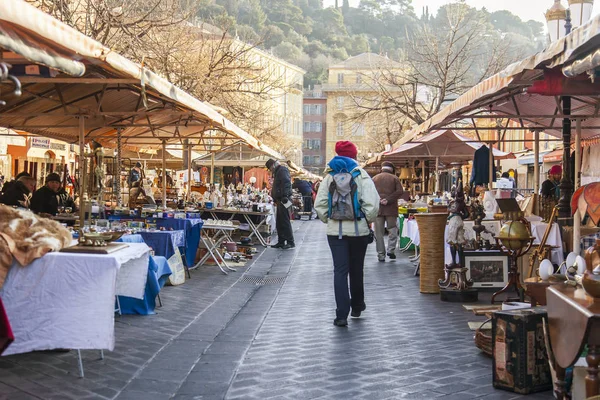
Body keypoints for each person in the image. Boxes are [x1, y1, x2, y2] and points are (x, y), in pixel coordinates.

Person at [315, 141, 379, 327]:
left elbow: (319, 205)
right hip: (359, 231)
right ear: (354, 155)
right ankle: (357, 305)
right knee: (356, 269)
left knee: (340, 271)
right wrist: (366, 219)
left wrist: (330, 220)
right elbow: (372, 204)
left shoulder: (329, 176)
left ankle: (341, 314)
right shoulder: (361, 175)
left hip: (335, 233)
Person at [372, 161, 404, 262]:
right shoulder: (395, 178)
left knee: (379, 233)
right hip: (391, 209)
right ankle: (391, 249)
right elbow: (400, 191)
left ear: (382, 168)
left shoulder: (374, 178)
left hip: (378, 209)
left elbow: (370, 192)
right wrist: (388, 199)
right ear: (392, 169)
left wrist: (379, 199)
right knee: (392, 229)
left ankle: (381, 254)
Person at [266, 158, 294, 249]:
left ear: (273, 165)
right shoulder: (279, 171)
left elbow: (286, 183)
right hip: (281, 199)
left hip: (284, 199)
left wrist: (284, 195)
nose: (270, 170)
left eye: (270, 168)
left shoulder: (282, 170)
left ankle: (290, 241)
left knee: (285, 220)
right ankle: (281, 241)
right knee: (280, 221)